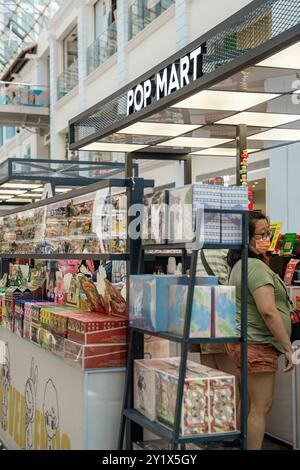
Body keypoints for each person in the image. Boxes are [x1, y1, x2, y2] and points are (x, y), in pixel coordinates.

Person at [226, 212, 293, 450]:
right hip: (258, 345)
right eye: (261, 234)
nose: (266, 239)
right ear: (245, 238)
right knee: (261, 407)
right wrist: (288, 347)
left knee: (250, 401)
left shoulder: (240, 264)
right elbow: (268, 311)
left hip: (247, 342)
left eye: (268, 234)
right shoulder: (254, 267)